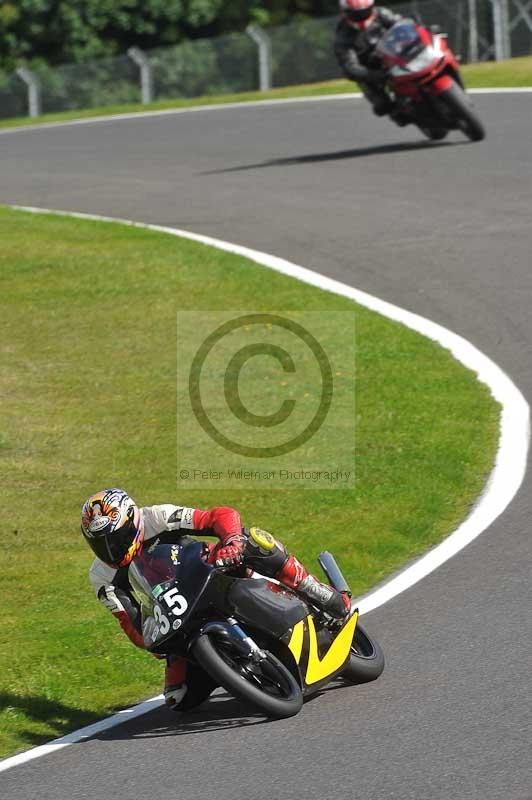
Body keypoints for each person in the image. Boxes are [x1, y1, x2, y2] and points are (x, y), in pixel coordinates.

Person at [81, 488, 351, 711]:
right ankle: (234, 668)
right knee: (179, 698)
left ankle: (315, 590)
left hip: (211, 572)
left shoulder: (158, 517)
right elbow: (130, 622)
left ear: (133, 521)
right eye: (101, 543)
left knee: (254, 540)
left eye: (116, 539)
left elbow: (218, 516)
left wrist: (231, 540)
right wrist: (150, 640)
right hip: (177, 615)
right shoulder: (101, 577)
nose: (111, 550)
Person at [334, 0, 402, 117]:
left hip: (394, 54)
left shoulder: (382, 14)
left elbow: (403, 25)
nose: (361, 17)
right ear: (345, 13)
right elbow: (350, 66)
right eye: (355, 14)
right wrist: (373, 74)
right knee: (382, 106)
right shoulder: (342, 36)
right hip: (370, 68)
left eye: (364, 12)